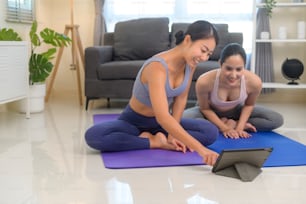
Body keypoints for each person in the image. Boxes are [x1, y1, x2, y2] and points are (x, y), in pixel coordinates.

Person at [85, 20, 221, 166]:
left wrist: (172, 134)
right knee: (95, 136)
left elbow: (181, 99)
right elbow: (163, 117)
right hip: (134, 121)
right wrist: (201, 150)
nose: (205, 58)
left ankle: (157, 137)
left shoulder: (190, 63)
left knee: (210, 131)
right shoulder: (157, 67)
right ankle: (154, 141)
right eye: (203, 50)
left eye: (209, 54)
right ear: (188, 40)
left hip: (163, 124)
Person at [183, 43, 284, 139]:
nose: (233, 75)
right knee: (183, 118)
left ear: (244, 65)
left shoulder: (254, 82)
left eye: (239, 69)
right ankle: (220, 124)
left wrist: (239, 127)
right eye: (228, 68)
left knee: (275, 119)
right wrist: (225, 128)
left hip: (236, 111)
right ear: (220, 64)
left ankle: (232, 123)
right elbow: (205, 109)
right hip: (209, 112)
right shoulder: (204, 81)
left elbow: (248, 105)